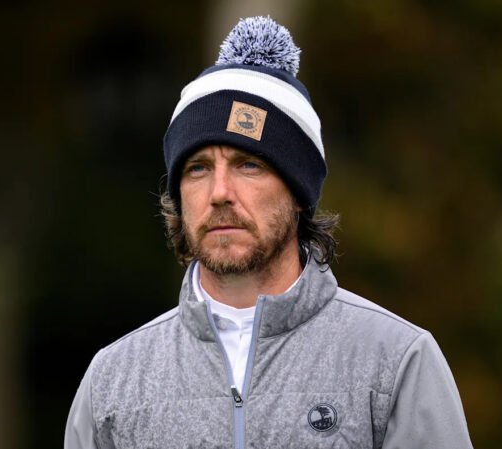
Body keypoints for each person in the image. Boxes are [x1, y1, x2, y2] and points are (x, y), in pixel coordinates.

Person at [65, 16, 474, 449]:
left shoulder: (395, 362)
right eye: (198, 168)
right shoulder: (112, 384)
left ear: (298, 192)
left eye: (248, 164)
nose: (219, 193)